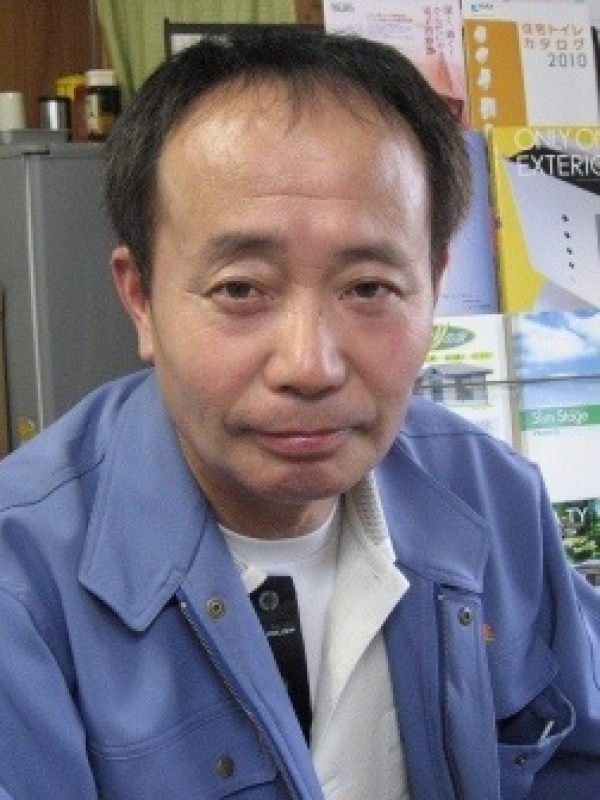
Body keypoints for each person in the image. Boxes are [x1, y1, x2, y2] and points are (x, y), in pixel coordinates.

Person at [0, 26, 599, 800]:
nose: (310, 366)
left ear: (434, 285)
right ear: (141, 298)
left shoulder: (495, 496)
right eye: (241, 289)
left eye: (369, 288)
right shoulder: (21, 587)